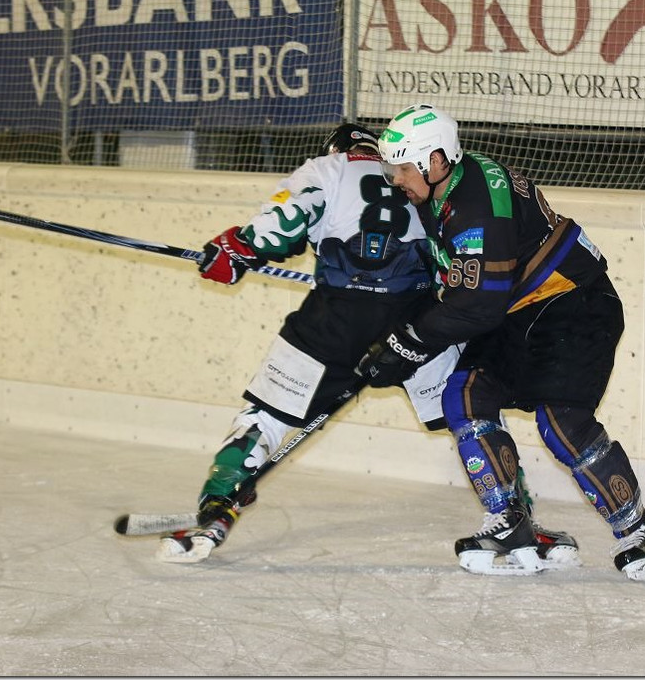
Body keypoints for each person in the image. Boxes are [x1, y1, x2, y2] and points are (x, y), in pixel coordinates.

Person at [156, 123, 581, 568]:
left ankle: (216, 510)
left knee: (265, 417)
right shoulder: (419, 181)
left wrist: (233, 250)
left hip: (334, 318)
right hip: (419, 318)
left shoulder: (326, 169)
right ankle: (517, 521)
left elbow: (279, 226)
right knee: (472, 415)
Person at [357, 104, 645, 581]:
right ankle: (510, 522)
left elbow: (476, 307)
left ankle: (639, 531)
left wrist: (408, 342)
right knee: (465, 396)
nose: (395, 179)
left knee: (561, 421)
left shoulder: (477, 205)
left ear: (436, 160)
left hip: (574, 301)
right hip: (517, 308)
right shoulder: (443, 187)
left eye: (402, 168)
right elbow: (459, 281)